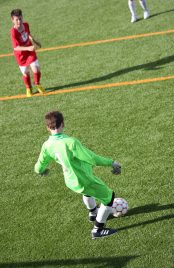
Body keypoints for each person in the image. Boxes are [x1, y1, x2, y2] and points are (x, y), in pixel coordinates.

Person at [34, 111, 122, 239]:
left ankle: (93, 213)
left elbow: (40, 164)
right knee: (109, 197)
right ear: (62, 124)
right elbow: (92, 158)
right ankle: (98, 229)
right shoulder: (71, 142)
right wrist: (111, 163)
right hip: (83, 179)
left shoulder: (47, 145)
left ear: (47, 127)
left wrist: (40, 171)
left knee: (87, 192)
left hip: (70, 180)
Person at [10, 9, 45, 97]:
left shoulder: (26, 25)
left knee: (36, 68)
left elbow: (28, 34)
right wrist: (28, 48)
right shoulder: (13, 32)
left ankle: (37, 84)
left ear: (22, 17)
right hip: (21, 55)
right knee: (26, 73)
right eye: (16, 20)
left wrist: (34, 41)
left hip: (30, 53)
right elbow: (16, 47)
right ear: (12, 20)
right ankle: (28, 88)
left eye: (20, 19)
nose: (19, 21)